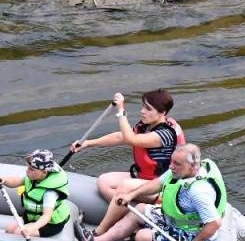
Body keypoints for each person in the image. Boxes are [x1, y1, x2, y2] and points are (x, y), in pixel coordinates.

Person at [68, 89, 185, 222]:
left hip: (159, 186)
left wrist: (121, 111)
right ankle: (129, 216)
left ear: (162, 112)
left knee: (124, 187)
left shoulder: (165, 134)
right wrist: (88, 143)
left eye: (148, 109)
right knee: (104, 181)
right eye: (143, 107)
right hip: (144, 177)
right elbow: (121, 137)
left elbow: (131, 139)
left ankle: (133, 219)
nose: (142, 111)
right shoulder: (146, 126)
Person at [91, 143, 225, 241]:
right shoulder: (179, 171)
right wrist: (131, 195)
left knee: (142, 237)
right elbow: (157, 184)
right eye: (172, 161)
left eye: (177, 163)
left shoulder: (198, 191)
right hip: (175, 219)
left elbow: (214, 223)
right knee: (140, 209)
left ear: (193, 166)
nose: (171, 166)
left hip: (192, 231)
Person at [0, 148, 72, 239]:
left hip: (50, 224)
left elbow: (46, 216)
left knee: (17, 233)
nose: (27, 171)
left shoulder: (50, 192)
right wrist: (4, 181)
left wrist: (33, 227)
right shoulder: (32, 178)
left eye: (31, 169)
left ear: (44, 172)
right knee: (9, 229)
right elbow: (15, 181)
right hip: (32, 218)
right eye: (28, 167)